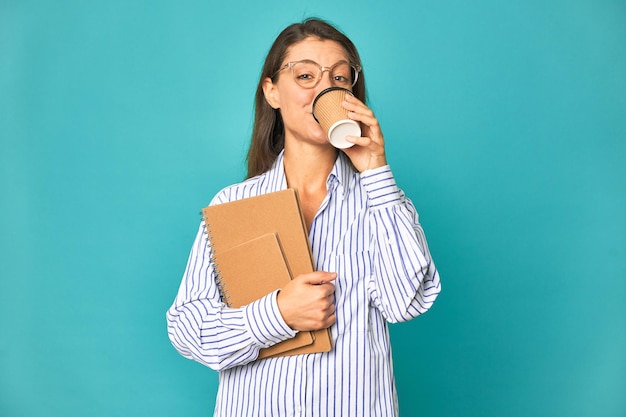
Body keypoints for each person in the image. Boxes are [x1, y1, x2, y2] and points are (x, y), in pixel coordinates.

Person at [166, 18, 441, 417]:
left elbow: (405, 303)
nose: (324, 88)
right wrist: (276, 314)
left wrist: (376, 171)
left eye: (340, 78)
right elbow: (188, 330)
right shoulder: (233, 205)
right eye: (306, 75)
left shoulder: (382, 202)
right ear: (272, 91)